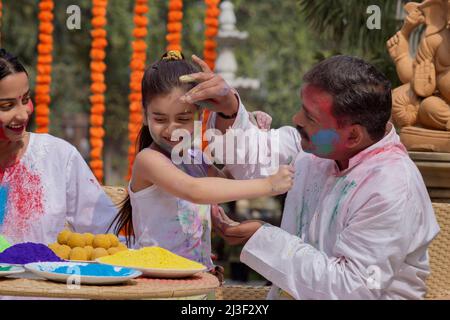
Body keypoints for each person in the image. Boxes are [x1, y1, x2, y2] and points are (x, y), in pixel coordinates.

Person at [186, 54, 440, 299]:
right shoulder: (319, 147)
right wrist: (229, 109)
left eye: (310, 116)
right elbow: (257, 158)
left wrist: (262, 238)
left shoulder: (391, 187)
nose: (297, 119)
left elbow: (350, 289)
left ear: (353, 135)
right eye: (302, 109)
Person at [109, 51, 294, 273]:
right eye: (159, 119)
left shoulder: (194, 157)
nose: (171, 129)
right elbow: (194, 190)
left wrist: (248, 131)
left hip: (195, 278)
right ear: (145, 115)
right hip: (156, 284)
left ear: (200, 116)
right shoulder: (148, 160)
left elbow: (229, 179)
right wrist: (268, 186)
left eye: (183, 119)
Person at [0, 48, 117, 245]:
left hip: (42, 276)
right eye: (6, 106)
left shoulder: (58, 157)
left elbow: (108, 234)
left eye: (26, 100)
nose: (22, 114)